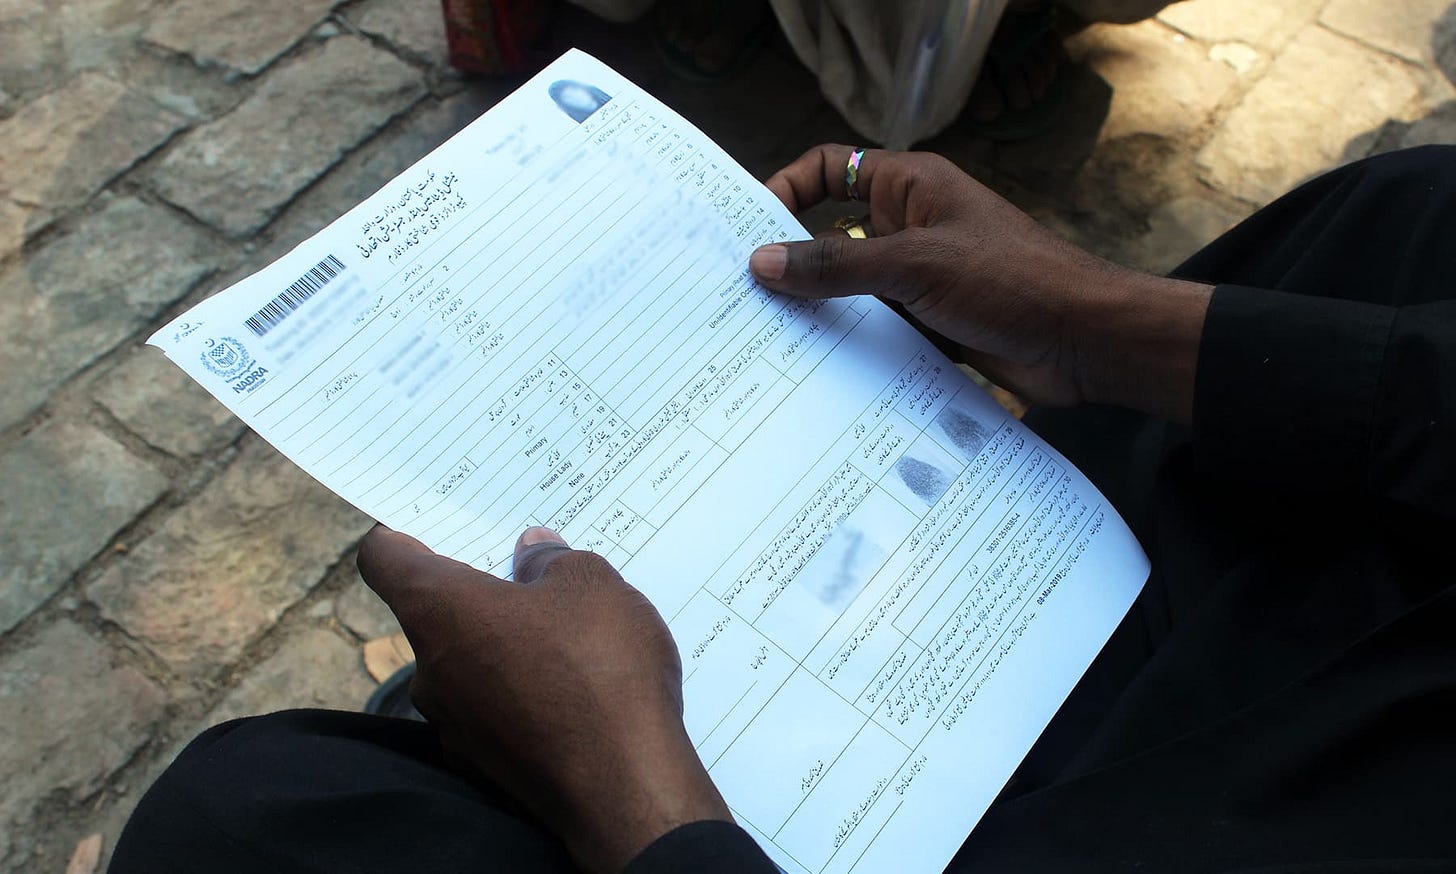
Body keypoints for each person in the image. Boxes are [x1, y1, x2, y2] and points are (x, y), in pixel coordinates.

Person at [111, 142, 1456, 872]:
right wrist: (1093, 322)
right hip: (1261, 548)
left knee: (246, 824)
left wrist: (633, 795)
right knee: (1419, 216)